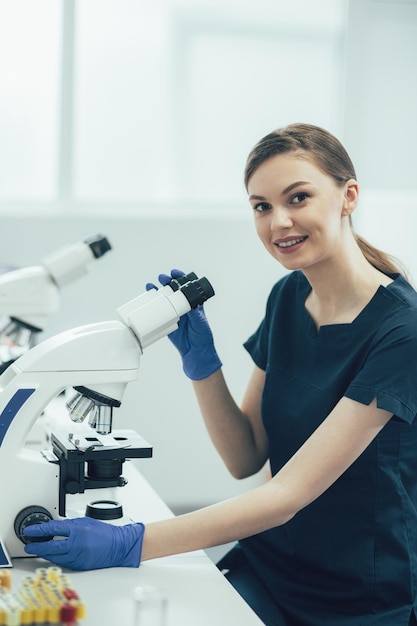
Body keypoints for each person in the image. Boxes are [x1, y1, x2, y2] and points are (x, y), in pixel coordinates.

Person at [24, 123, 417, 626]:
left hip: (356, 597)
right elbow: (245, 455)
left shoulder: (400, 332)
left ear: (348, 196)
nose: (279, 222)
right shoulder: (288, 298)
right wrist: (203, 367)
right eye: (261, 206)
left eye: (298, 197)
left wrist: (132, 541)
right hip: (271, 565)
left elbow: (284, 496)